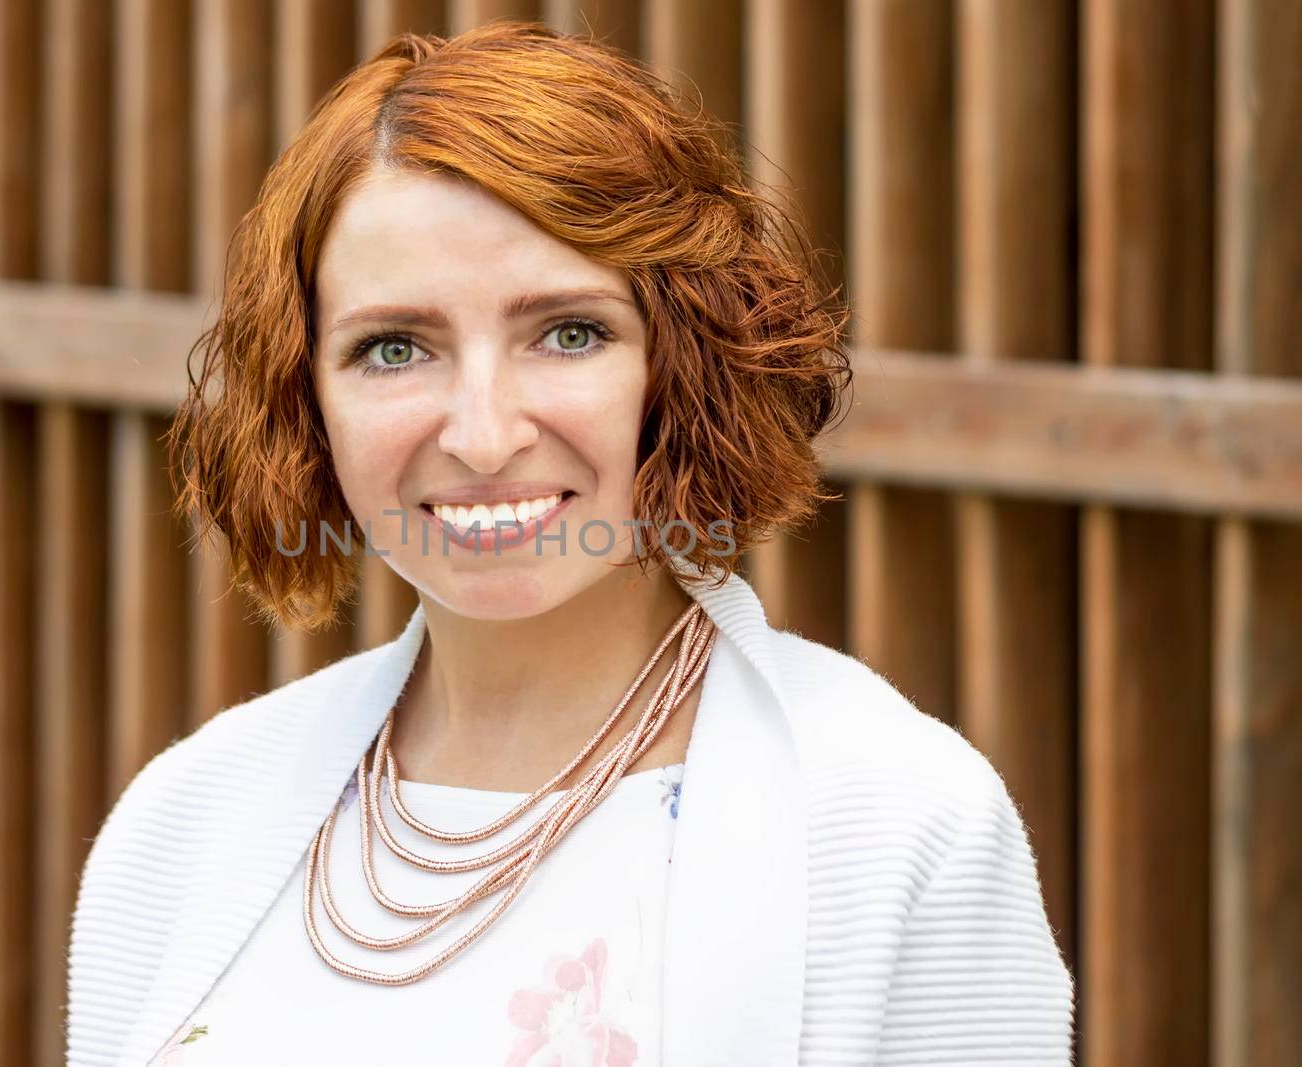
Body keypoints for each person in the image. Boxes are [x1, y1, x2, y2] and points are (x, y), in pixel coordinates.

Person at [66, 21, 1075, 1066]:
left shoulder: (896, 822)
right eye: (394, 348)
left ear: (679, 363)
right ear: (305, 394)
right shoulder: (188, 819)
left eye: (568, 332)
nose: (484, 432)